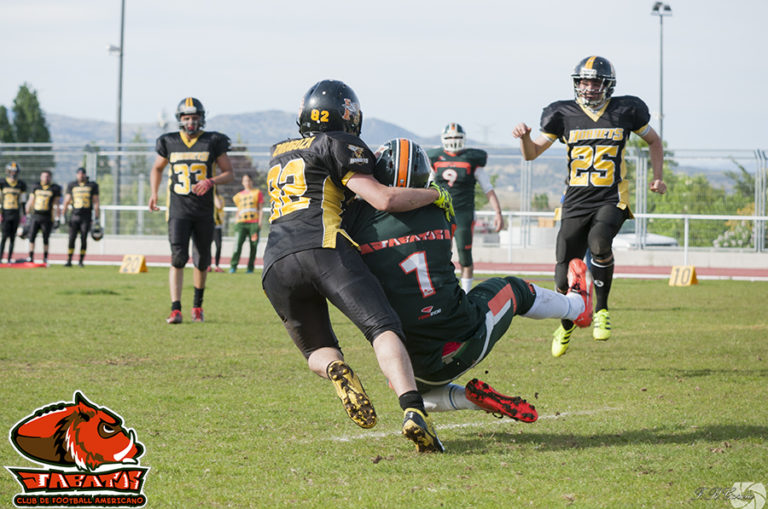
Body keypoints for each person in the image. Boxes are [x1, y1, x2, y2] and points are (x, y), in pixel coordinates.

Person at [261, 80, 454, 453]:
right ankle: (414, 411)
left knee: (317, 349)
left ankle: (336, 369)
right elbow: (382, 199)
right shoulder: (337, 143)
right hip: (324, 248)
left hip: (275, 264)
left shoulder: (278, 152)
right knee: (383, 328)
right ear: (348, 115)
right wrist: (435, 194)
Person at [345, 138, 592, 421]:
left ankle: (469, 399)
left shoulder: (357, 222)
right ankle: (576, 307)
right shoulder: (438, 207)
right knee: (513, 289)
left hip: (413, 359)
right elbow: (419, 200)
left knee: (407, 387)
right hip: (463, 341)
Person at [512, 55, 666, 357]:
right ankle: (566, 324)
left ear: (607, 84)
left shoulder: (626, 110)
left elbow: (655, 142)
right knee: (563, 267)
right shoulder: (563, 113)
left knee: (598, 243)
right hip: (575, 201)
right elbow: (531, 155)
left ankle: (602, 310)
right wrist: (525, 138)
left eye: (595, 81)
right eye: (583, 81)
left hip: (611, 197)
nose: (588, 87)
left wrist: (658, 177)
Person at [148, 97, 234, 324]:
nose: (191, 122)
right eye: (187, 118)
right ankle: (175, 308)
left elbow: (229, 172)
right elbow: (157, 168)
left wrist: (211, 181)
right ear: (180, 119)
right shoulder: (169, 141)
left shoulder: (213, 141)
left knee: (202, 260)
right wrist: (154, 193)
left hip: (204, 210)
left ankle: (197, 306)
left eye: (195, 117)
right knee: (178, 257)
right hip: (178, 209)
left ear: (201, 118)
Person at [427, 123, 504, 293]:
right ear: (443, 140)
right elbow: (426, 186)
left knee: (464, 255)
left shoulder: (471, 159)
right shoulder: (435, 159)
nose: (454, 141)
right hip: (440, 212)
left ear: (463, 139)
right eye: (450, 138)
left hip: (463, 213)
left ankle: (467, 293)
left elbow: (488, 189)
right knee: (440, 254)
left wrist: (498, 213)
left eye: (457, 137)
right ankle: (441, 290)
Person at [61, 167, 100, 267]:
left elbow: (96, 201)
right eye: (79, 174)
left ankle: (81, 261)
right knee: (71, 238)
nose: (80, 176)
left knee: (83, 238)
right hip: (74, 215)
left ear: (85, 175)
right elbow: (67, 200)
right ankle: (69, 259)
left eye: (82, 174)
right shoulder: (72, 185)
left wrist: (97, 217)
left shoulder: (92, 185)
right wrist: (63, 214)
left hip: (86, 216)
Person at [25, 170, 62, 265]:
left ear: (50, 178)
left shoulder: (54, 188)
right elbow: (31, 200)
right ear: (41, 177)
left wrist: (58, 217)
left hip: (47, 216)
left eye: (47, 176)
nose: (46, 178)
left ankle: (45, 258)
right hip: (35, 215)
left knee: (46, 238)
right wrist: (27, 214)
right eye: (44, 176)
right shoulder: (36, 186)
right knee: (31, 237)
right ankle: (31, 257)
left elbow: (57, 204)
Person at [229, 173, 263, 274]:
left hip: (253, 224)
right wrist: (236, 221)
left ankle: (250, 268)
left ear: (251, 181)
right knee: (237, 245)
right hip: (241, 224)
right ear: (242, 182)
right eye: (245, 180)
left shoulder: (257, 193)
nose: (247, 182)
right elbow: (238, 210)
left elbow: (260, 209)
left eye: (248, 180)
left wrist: (260, 222)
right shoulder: (238, 196)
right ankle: (233, 266)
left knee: (253, 246)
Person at [1, 161, 27, 263]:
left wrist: (24, 214)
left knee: (12, 238)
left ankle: (9, 259)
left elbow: (23, 201)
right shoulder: (2, 182)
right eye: (11, 171)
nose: (13, 173)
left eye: (15, 171)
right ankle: (0, 258)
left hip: (15, 213)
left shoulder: (21, 184)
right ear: (8, 171)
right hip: (5, 213)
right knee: (4, 237)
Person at [209, 190, 224, 272]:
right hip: (207, 224)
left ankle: (217, 265)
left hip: (217, 225)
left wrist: (214, 194)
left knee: (218, 246)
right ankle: (208, 265)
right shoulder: (205, 198)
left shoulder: (219, 198)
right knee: (207, 246)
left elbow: (219, 206)